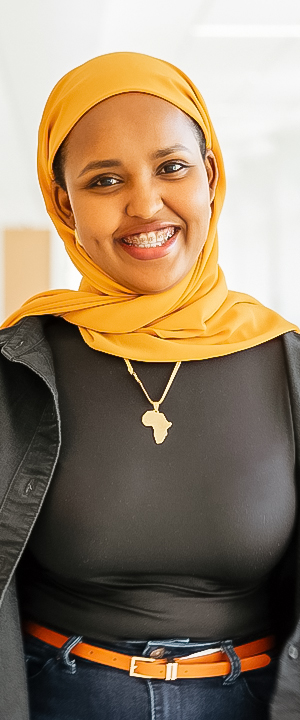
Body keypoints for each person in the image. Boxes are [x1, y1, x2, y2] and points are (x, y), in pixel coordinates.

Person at [1, 51, 300, 720]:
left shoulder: (287, 360)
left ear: (211, 176)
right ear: (63, 203)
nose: (145, 203)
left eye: (172, 167)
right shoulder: (21, 360)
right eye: (105, 180)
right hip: (59, 698)